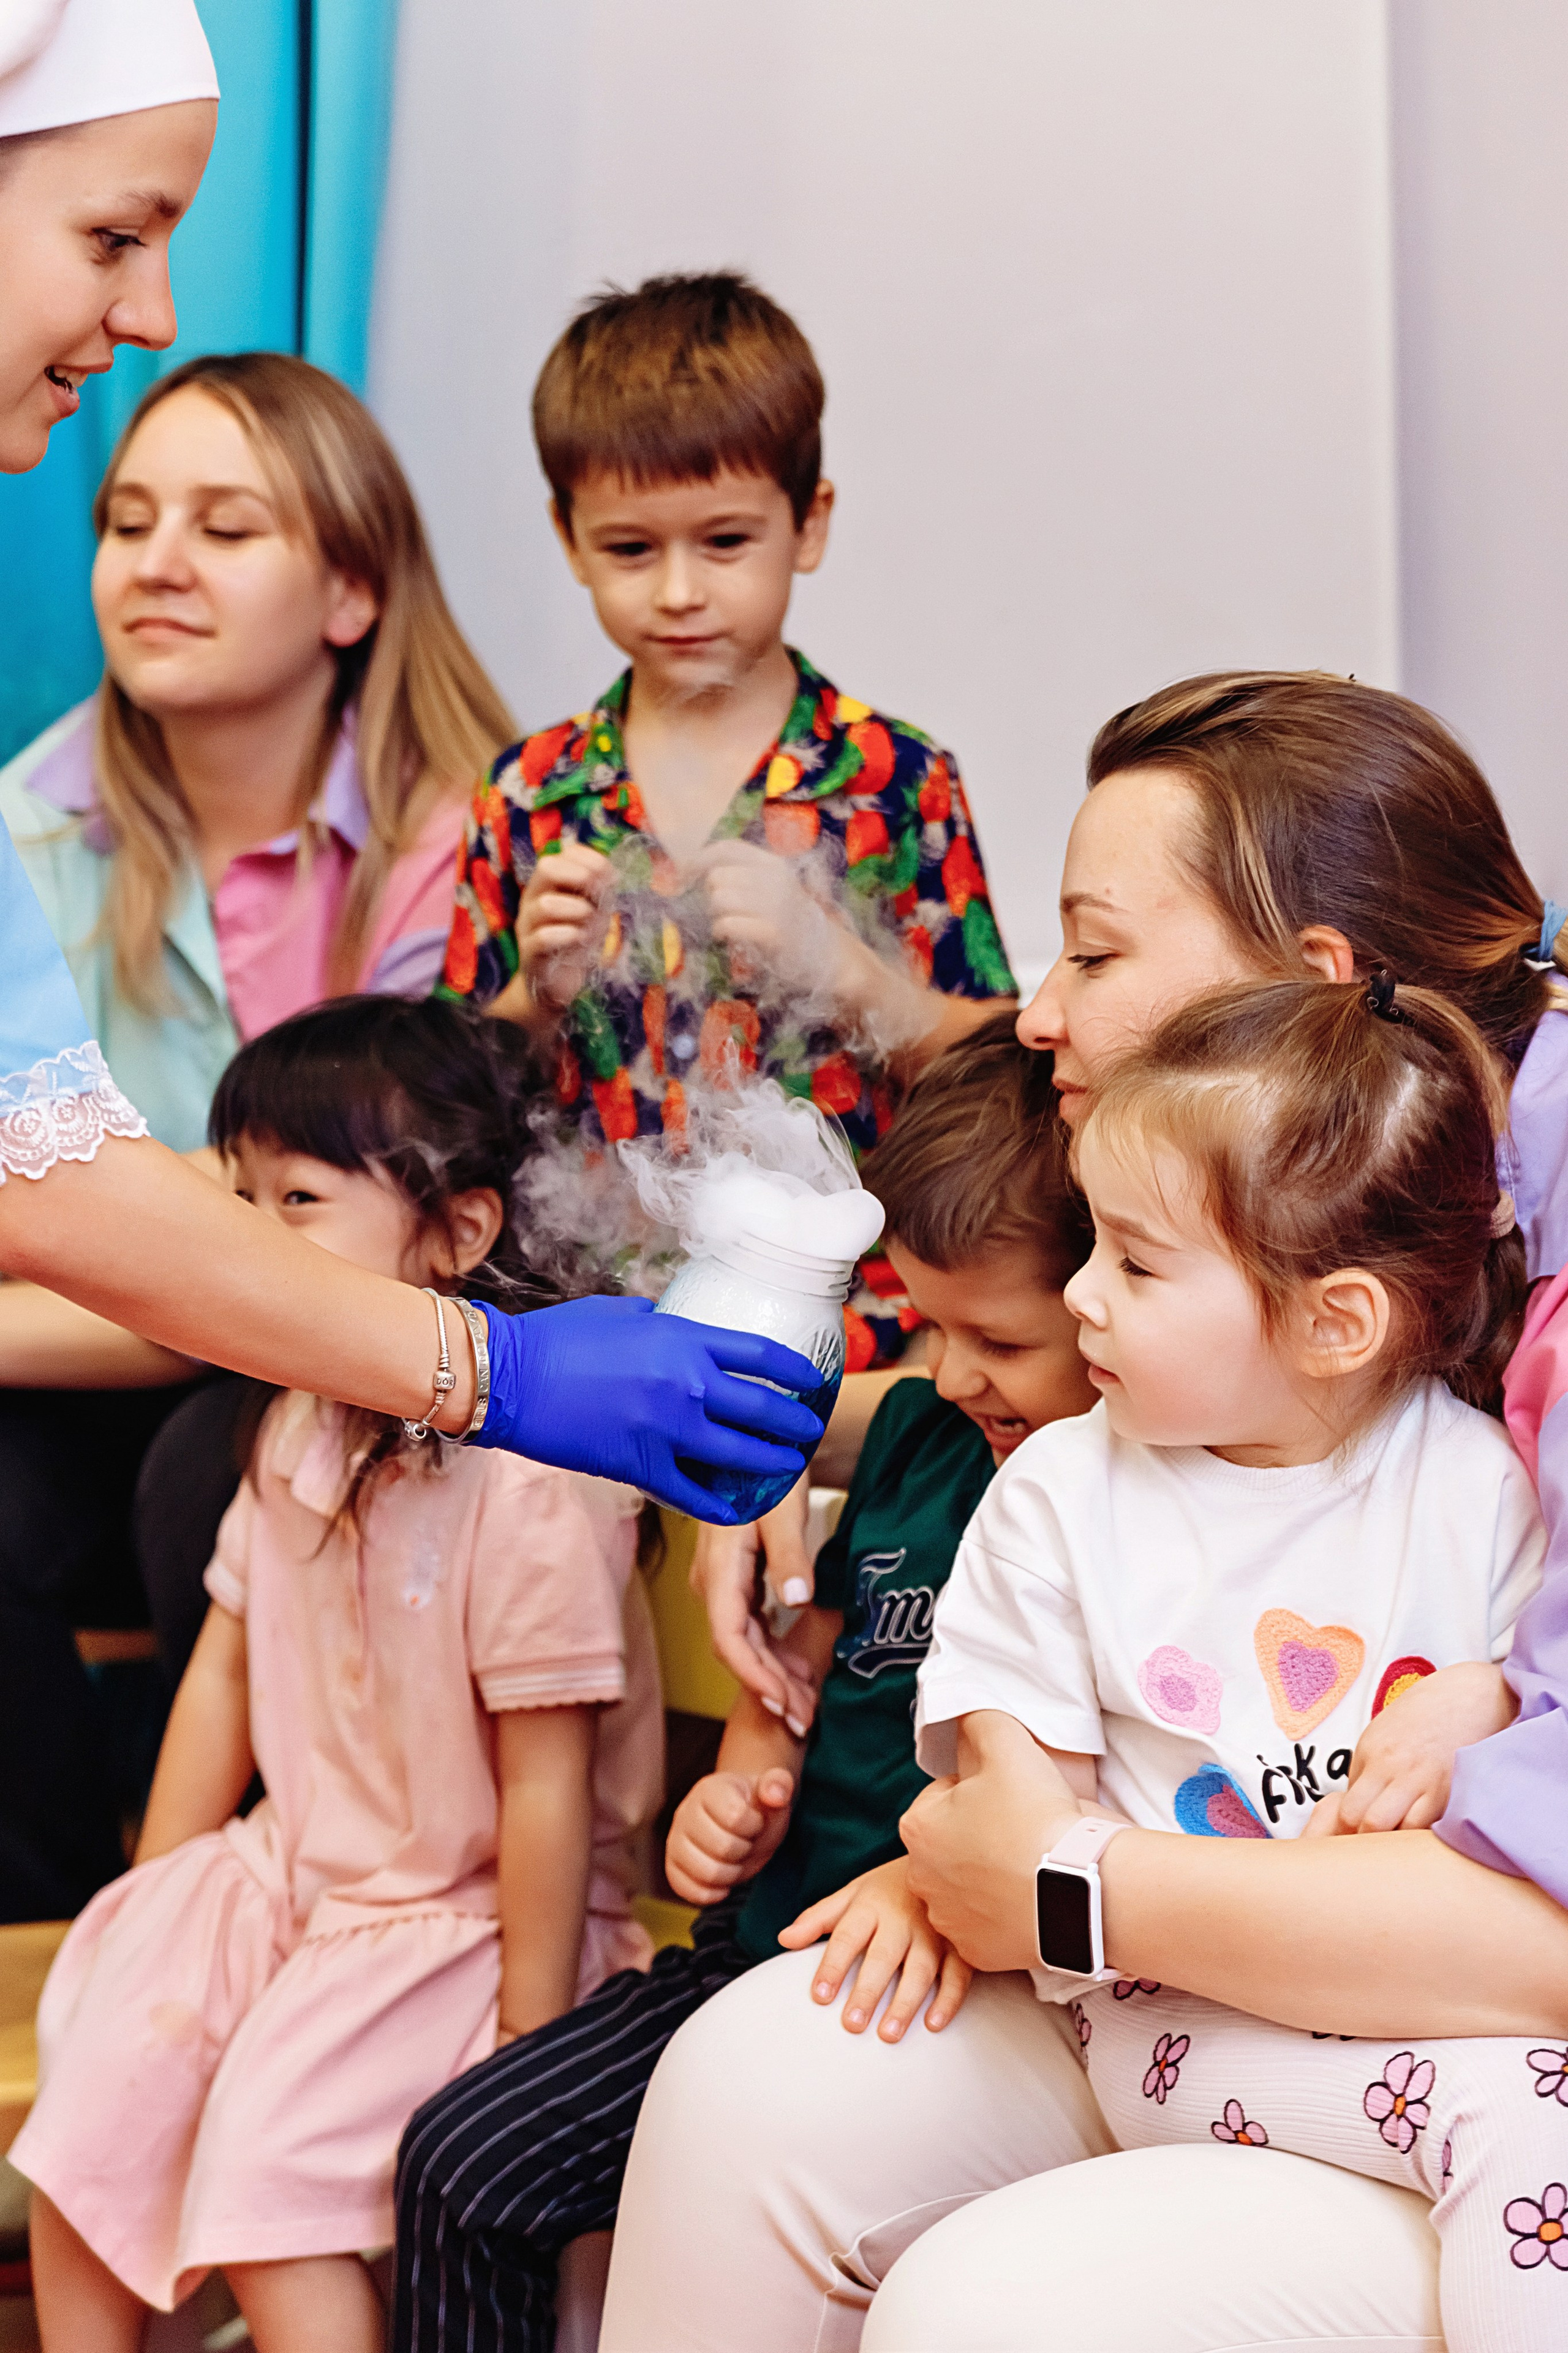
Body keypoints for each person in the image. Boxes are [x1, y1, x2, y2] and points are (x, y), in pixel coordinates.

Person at [637, 672, 1568, 2349]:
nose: (1042, 1010)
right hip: (1185, 1970)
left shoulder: (1494, 1368)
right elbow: (1083, 1439)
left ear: (1308, 991)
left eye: (1094, 949)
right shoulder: (1222, 1241)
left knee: (988, 2307)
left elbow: (1539, 1924)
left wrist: (1061, 1884)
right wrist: (795, 1453)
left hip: (1469, 2024)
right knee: (742, 2088)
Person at [0, 1, 826, 1530]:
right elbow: (50, 1183)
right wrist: (489, 1371)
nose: (155, 313)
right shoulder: (39, 814)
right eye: (115, 235)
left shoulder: (469, 826)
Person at [391, 1014, 1099, 2353]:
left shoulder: (1108, 1500)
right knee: (463, 2159)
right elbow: (806, 1670)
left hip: (921, 1984)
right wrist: (740, 1788)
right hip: (765, 1939)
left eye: (994, 1343)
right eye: (929, 1330)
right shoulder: (919, 1434)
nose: (949, 1375)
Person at [12, 995, 666, 2353]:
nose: (249, 1241)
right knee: (95, 2105)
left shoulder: (536, 1479)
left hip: (474, 1913)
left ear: (461, 1229)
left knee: (265, 2179)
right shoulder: (299, 1423)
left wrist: (525, 2048)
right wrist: (159, 1890)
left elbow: (546, 1788)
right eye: (237, 1196)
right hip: (300, 1870)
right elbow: (221, 1668)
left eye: (294, 1199)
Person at [0, 348, 518, 1914]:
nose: (154, 563)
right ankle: (66, 1946)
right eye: (129, 520)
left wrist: (168, 1279)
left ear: (350, 592)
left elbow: (334, 1262)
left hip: (381, 1365)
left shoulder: (473, 839)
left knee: (213, 1476)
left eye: (224, 528)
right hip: (93, 1342)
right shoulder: (28, 829)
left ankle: (304, 1912)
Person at [435, 270, 1017, 1377]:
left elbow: (1000, 1063)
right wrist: (534, 998)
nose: (680, 592)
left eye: (726, 541)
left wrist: (845, 972)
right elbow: (445, 1095)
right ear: (567, 537)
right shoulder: (529, 789)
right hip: (586, 1318)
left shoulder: (894, 780)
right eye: (630, 550)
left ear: (810, 523)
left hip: (853, 1327)